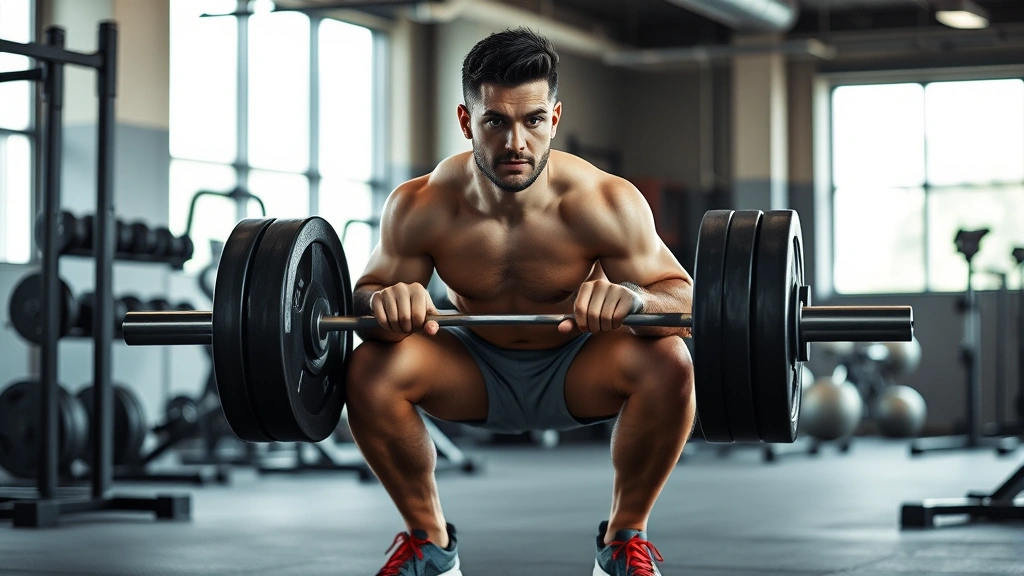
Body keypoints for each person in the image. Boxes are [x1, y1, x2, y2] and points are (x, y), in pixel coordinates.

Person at [347, 27, 695, 576]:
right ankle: (430, 544)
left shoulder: (606, 201)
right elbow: (363, 303)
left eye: (533, 120)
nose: (516, 143)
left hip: (578, 366)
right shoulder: (421, 205)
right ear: (466, 121)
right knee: (370, 366)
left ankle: (625, 540)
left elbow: (685, 300)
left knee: (670, 360)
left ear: (553, 118)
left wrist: (633, 298)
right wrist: (389, 305)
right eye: (495, 121)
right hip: (472, 370)